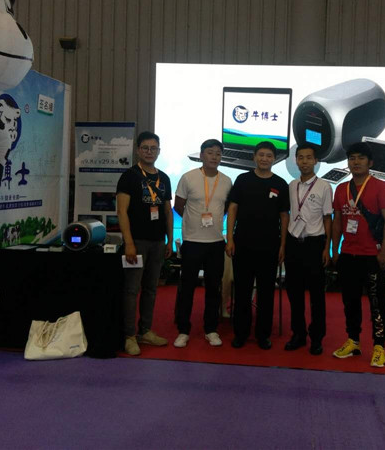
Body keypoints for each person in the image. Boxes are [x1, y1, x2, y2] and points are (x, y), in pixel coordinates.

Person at [331, 142, 385, 368]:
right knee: (350, 302)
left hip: (373, 256)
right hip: (348, 255)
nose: (356, 162)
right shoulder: (341, 189)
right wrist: (335, 249)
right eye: (352, 158)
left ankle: (379, 346)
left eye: (360, 158)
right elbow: (337, 221)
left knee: (377, 303)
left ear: (370, 162)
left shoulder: (381, 187)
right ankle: (353, 341)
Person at [226, 141, 289, 350]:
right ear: (254, 157)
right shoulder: (242, 179)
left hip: (269, 248)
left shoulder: (280, 184)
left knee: (266, 294)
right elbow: (233, 209)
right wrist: (230, 238)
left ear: (274, 159)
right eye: (261, 155)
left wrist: (283, 245)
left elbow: (284, 216)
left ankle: (263, 335)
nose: (264, 159)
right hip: (242, 245)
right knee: (242, 292)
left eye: (269, 155)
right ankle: (241, 333)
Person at [116, 131, 173, 356]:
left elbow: (167, 211)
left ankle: (145, 331)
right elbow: (121, 212)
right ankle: (129, 335)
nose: (150, 152)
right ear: (138, 150)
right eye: (145, 148)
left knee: (151, 289)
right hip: (136, 242)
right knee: (132, 289)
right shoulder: (129, 176)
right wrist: (129, 243)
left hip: (158, 242)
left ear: (159, 151)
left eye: (153, 148)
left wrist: (169, 240)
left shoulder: (164, 178)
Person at [172, 139, 232, 348]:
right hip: (192, 242)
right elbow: (179, 206)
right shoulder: (188, 178)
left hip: (216, 243)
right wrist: (194, 221)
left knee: (213, 288)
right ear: (201, 155)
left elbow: (226, 208)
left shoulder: (226, 181)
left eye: (218, 153)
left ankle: (211, 329)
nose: (214, 157)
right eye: (210, 152)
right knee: (187, 288)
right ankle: (183, 330)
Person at [283, 143, 333, 356]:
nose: (304, 161)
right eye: (300, 157)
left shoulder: (324, 186)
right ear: (296, 160)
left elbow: (327, 218)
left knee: (316, 295)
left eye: (308, 158)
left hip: (314, 244)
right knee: (294, 293)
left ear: (316, 161)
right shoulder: (291, 185)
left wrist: (327, 248)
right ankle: (298, 334)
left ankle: (317, 338)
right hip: (294, 243)